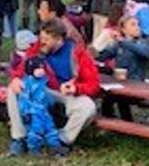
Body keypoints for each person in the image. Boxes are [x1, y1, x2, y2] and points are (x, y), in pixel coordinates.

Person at [6, 19, 101, 155]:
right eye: (41, 37)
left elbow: (94, 84)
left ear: (59, 39)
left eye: (47, 39)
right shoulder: (36, 49)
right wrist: (16, 79)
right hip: (43, 91)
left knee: (88, 107)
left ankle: (61, 139)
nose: (42, 41)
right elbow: (21, 69)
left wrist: (76, 88)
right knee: (13, 89)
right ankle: (19, 138)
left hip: (68, 94)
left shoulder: (77, 52)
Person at [17, 57, 63, 155]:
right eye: (38, 69)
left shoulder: (44, 82)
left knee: (50, 128)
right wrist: (25, 112)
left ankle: (55, 147)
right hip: (34, 112)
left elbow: (46, 95)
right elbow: (23, 99)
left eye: (42, 68)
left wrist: (52, 104)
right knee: (35, 130)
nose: (41, 71)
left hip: (44, 111)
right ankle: (34, 149)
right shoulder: (27, 83)